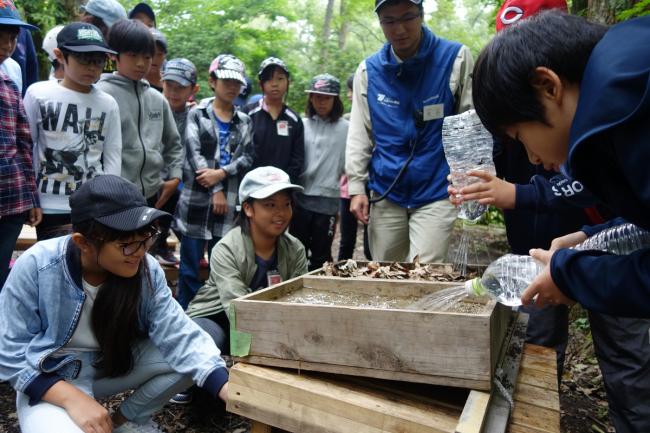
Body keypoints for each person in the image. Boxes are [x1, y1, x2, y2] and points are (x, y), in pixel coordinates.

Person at [471, 11, 650, 431]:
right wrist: (591, 237)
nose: (531, 159)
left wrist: (573, 277)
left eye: (519, 136)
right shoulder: (629, 78)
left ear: (548, 86)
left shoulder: (630, 114)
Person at [0, 175, 228, 433]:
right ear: (83, 242)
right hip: (51, 374)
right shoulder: (38, 265)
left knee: (198, 352)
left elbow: (180, 335)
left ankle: (125, 421)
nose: (141, 252)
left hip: (106, 365)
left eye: (146, 238)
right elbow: (8, 354)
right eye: (127, 245)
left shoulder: (146, 270)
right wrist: (71, 398)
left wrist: (227, 388)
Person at [346, 0, 473, 263]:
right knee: (384, 270)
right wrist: (357, 187)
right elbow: (360, 133)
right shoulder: (368, 71)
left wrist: (468, 179)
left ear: (421, 15)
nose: (399, 29)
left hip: (437, 188)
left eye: (407, 18)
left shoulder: (455, 58)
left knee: (424, 273)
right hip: (385, 190)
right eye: (389, 21)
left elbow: (469, 124)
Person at [186, 166, 308, 353]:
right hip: (217, 316)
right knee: (210, 343)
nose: (281, 213)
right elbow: (237, 310)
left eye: (287, 204)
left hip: (270, 321)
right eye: (271, 205)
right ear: (248, 208)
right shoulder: (227, 249)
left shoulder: (295, 248)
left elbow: (301, 301)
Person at [96, 19, 183, 266]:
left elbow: (174, 144)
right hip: (113, 198)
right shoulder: (101, 93)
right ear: (115, 56)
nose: (141, 63)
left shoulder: (157, 99)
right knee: (114, 258)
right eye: (133, 55)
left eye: (147, 56)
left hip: (151, 196)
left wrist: (175, 177)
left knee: (143, 259)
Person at [24, 22, 122, 241]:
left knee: (87, 263)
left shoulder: (108, 103)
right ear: (60, 55)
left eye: (98, 60)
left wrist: (110, 201)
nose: (91, 67)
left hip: (93, 203)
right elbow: (26, 147)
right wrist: (31, 199)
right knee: (52, 261)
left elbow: (113, 154)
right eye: (83, 59)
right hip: (48, 203)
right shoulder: (38, 94)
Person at [173, 54, 254, 310]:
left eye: (236, 82)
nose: (231, 87)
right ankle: (185, 315)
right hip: (196, 202)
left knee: (222, 266)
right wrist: (216, 187)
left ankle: (212, 314)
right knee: (189, 269)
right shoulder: (196, 113)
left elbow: (247, 157)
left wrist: (221, 174)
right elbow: (194, 155)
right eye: (226, 80)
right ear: (212, 81)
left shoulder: (244, 121)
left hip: (228, 204)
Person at [0, 1, 41, 290]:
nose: (7, 44)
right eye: (0, 36)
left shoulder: (11, 84)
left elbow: (24, 143)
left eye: (13, 37)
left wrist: (31, 197)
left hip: (11, 200)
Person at [290, 74, 348, 270]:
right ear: (311, 99)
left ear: (335, 100)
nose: (321, 102)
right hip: (301, 197)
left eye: (326, 97)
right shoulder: (301, 125)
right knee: (297, 250)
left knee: (321, 253)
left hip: (328, 200)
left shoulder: (346, 128)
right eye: (317, 97)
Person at [243, 57, 304, 184]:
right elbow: (241, 152)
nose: (274, 83)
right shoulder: (248, 114)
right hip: (252, 185)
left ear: (288, 82)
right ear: (261, 84)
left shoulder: (294, 120)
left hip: (283, 187)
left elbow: (297, 159)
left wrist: (284, 183)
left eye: (280, 78)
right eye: (269, 79)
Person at [145, 28, 166, 92]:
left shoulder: (169, 83)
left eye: (159, 54)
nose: (154, 59)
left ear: (165, 56)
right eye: (150, 53)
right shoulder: (132, 80)